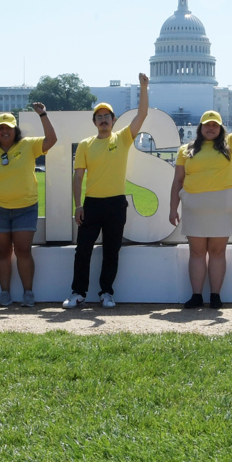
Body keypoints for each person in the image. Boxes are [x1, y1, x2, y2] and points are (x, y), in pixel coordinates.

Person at [64, 73, 150, 309]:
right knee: (83, 251)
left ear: (113, 120)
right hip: (91, 204)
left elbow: (142, 115)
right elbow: (78, 176)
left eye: (107, 117)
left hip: (115, 204)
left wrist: (144, 87)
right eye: (99, 117)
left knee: (112, 252)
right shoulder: (85, 144)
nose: (103, 120)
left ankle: (106, 293)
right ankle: (77, 293)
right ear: (94, 122)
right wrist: (78, 205)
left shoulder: (122, 138)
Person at [169, 90, 232, 309]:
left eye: (214, 125)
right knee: (196, 253)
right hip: (193, 206)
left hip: (221, 206)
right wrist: (172, 209)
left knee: (217, 252)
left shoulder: (231, 144)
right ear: (200, 128)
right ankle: (197, 295)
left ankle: (215, 295)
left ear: (220, 128)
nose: (210, 128)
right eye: (207, 125)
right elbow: (178, 180)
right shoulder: (185, 149)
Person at [0, 105, 57, 307]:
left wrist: (43, 114)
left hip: (26, 207)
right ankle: (5, 293)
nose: (5, 131)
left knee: (23, 250)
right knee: (2, 252)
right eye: (1, 128)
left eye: (8, 128)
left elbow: (51, 140)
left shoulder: (28, 145)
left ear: (15, 130)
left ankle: (28, 293)